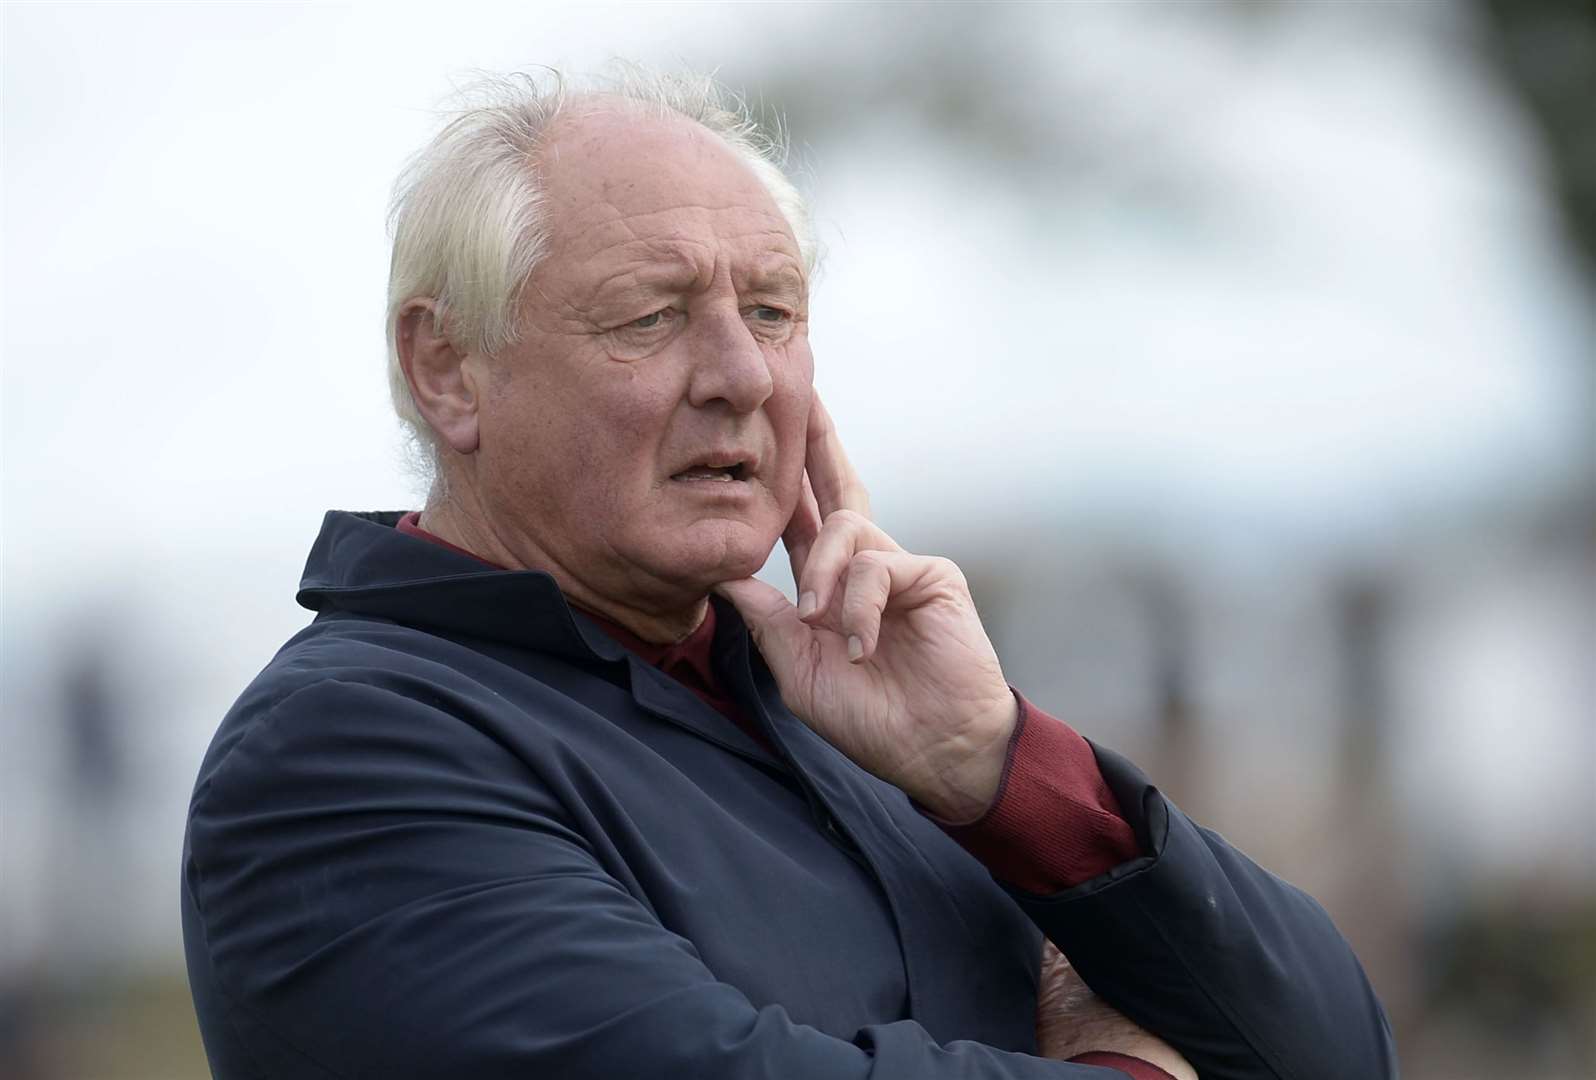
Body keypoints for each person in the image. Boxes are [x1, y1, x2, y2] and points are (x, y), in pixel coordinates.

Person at [181, 69, 1397, 1080]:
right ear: (448, 369)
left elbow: (1337, 1053)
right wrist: (1127, 1065)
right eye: (649, 318)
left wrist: (993, 762)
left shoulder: (848, 710)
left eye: (771, 311)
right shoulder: (341, 755)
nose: (741, 377)